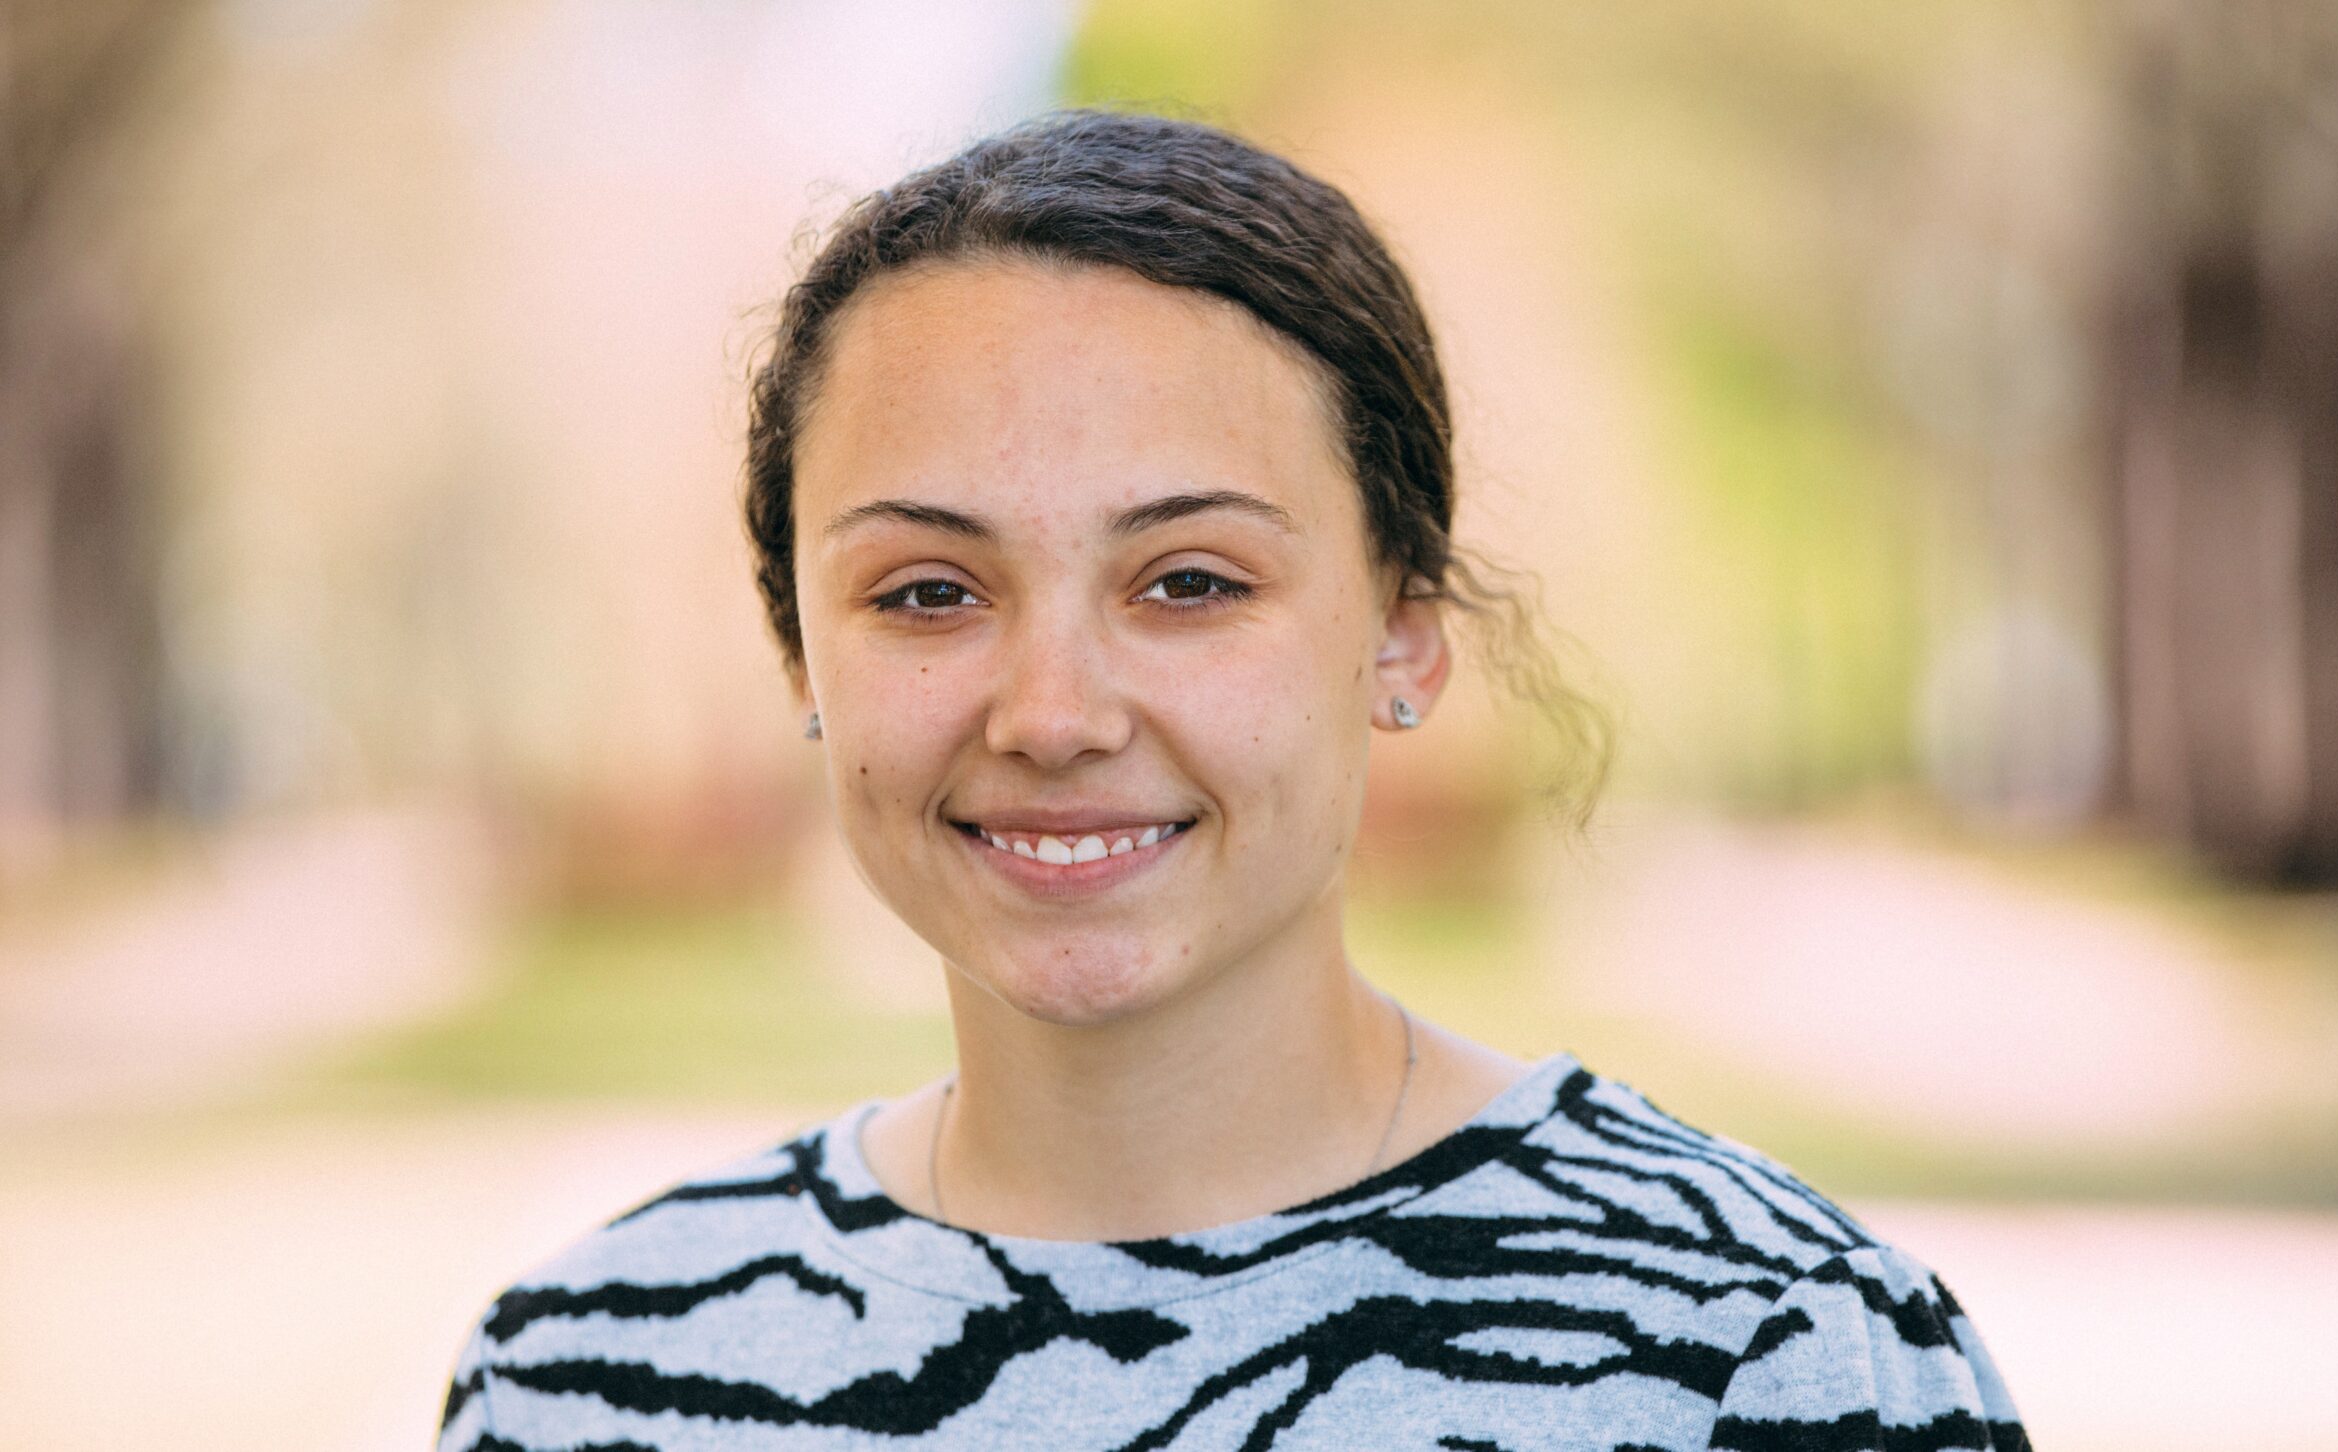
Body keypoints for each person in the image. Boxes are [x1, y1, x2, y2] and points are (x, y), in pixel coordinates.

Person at [435, 108, 2032, 1451]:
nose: (1053, 715)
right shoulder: (589, 1379)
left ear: (1402, 635)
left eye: (1189, 582)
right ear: (801, 658)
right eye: (927, 592)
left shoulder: (1765, 1357)